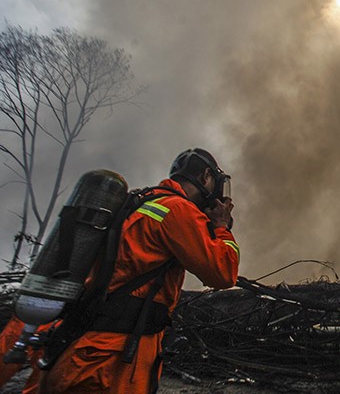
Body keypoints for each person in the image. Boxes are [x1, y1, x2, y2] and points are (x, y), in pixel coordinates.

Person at [39, 148, 240, 394]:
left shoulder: (137, 203)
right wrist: (221, 227)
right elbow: (223, 273)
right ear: (206, 176)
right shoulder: (177, 210)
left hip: (82, 348)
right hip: (113, 361)